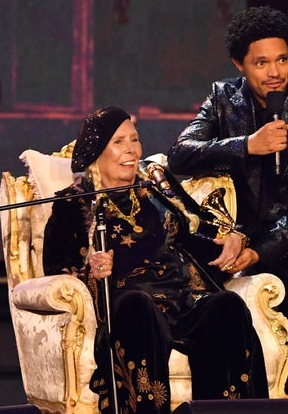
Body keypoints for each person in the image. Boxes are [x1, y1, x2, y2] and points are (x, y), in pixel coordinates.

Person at [167, 6, 288, 398]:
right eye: (261, 62)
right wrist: (248, 145)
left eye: (282, 59)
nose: (275, 72)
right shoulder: (222, 99)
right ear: (240, 64)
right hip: (239, 274)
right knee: (248, 393)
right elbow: (179, 154)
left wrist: (258, 253)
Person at [43, 106, 268, 414]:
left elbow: (196, 231)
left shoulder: (154, 183)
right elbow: (55, 270)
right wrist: (91, 272)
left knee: (227, 307)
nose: (131, 150)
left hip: (181, 303)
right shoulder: (72, 204)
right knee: (138, 306)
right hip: (132, 311)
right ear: (97, 151)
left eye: (134, 140)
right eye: (119, 142)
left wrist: (234, 239)